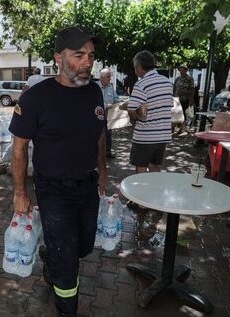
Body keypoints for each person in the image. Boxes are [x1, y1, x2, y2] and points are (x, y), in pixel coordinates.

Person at [9, 26, 107, 316]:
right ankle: (66, 307)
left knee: (84, 245)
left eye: (90, 55)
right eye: (79, 55)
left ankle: (52, 255)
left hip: (87, 185)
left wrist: (102, 171)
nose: (88, 62)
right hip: (53, 190)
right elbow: (19, 147)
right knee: (67, 262)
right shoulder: (35, 98)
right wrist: (19, 193)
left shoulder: (94, 92)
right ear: (58, 59)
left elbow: (100, 134)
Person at [127, 50, 173, 173]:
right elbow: (168, 105)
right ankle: (156, 191)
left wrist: (133, 119)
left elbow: (132, 111)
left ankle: (141, 192)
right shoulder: (167, 82)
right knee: (154, 166)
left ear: (139, 67)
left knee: (140, 168)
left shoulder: (141, 84)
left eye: (134, 67)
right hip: (163, 135)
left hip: (145, 136)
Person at [97, 68, 119, 158]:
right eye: (108, 77)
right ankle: (97, 153)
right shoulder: (96, 88)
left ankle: (108, 152)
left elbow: (116, 99)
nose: (110, 78)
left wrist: (117, 103)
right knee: (98, 134)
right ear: (102, 78)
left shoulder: (110, 88)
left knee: (108, 134)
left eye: (110, 76)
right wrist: (106, 105)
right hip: (97, 117)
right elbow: (94, 102)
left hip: (109, 116)